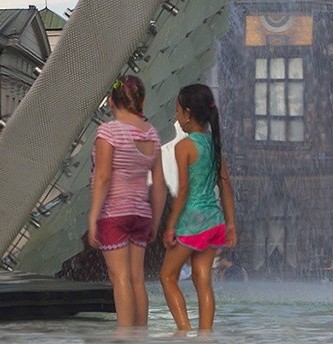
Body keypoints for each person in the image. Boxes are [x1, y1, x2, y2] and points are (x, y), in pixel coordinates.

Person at [87, 75, 166, 327]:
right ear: (142, 101)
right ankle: (140, 334)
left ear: (111, 101)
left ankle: (124, 335)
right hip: (140, 214)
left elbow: (103, 177)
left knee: (119, 277)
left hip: (114, 213)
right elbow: (159, 185)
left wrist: (93, 217)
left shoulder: (108, 131)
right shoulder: (151, 134)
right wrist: (155, 221)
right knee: (137, 279)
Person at [160, 83, 237, 333]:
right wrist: (230, 225)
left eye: (178, 111)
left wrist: (170, 226)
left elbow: (183, 191)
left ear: (188, 113)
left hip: (192, 222)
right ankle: (205, 336)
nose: (177, 118)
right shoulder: (214, 145)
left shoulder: (184, 147)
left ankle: (183, 331)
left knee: (167, 277)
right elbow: (226, 187)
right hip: (214, 222)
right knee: (202, 281)